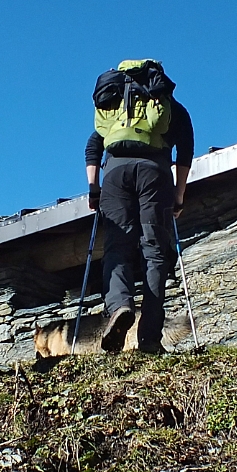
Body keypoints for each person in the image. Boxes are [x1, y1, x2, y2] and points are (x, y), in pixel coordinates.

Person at [84, 59, 195, 354]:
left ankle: (120, 305)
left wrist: (94, 189)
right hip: (154, 171)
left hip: (115, 173)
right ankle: (149, 337)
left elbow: (94, 146)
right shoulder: (170, 105)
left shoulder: (116, 106)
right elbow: (185, 151)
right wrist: (178, 196)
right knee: (154, 252)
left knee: (117, 248)